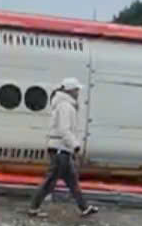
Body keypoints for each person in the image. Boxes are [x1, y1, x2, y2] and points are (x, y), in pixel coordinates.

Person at [27, 77, 97, 218]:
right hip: (61, 149)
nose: (78, 92)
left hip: (61, 149)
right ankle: (33, 208)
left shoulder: (64, 104)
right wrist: (75, 145)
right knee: (51, 182)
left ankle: (84, 208)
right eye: (77, 89)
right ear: (71, 91)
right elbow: (64, 129)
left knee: (71, 181)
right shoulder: (65, 106)